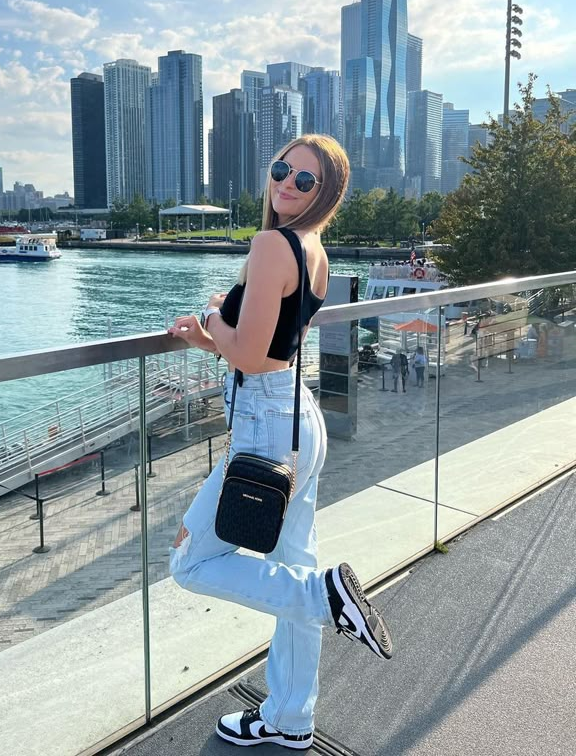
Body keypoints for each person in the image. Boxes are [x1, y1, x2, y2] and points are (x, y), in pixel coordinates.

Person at [167, 135, 393, 751]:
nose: (288, 183)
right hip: (299, 421)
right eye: (281, 169)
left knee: (190, 561)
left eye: (305, 180)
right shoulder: (313, 250)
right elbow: (270, 349)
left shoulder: (271, 245)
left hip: (268, 428)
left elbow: (248, 352)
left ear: (327, 193)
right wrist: (213, 333)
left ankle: (325, 598)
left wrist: (212, 320)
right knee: (291, 561)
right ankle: (291, 719)